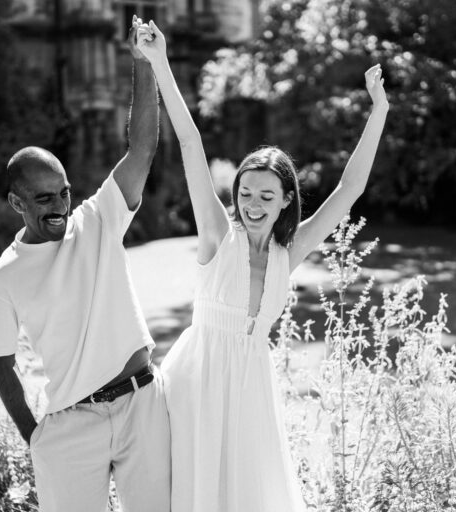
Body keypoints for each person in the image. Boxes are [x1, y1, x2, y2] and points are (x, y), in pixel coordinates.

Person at [136, 22, 388, 512]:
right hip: (198, 380)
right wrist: (160, 62)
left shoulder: (286, 254)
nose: (252, 203)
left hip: (252, 383)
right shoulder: (216, 235)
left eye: (266, 196)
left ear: (285, 200)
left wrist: (378, 110)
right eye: (246, 192)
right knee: (197, 488)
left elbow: (349, 190)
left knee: (249, 494)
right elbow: (191, 145)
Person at [0, 17, 170, 512]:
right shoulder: (1, 279)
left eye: (63, 191)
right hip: (69, 426)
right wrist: (36, 438)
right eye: (44, 198)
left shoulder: (98, 219)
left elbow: (142, 148)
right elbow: (4, 368)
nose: (60, 205)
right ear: (16, 203)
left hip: (140, 406)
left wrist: (142, 64)